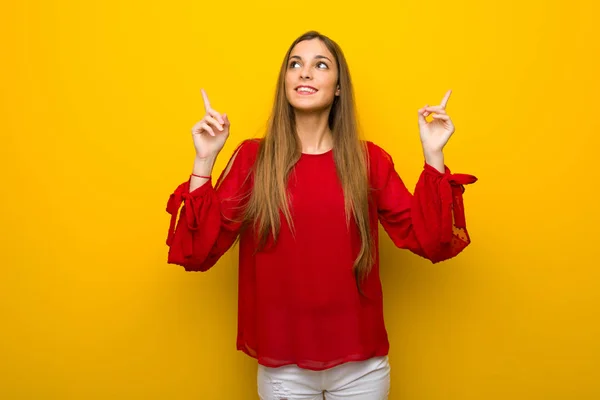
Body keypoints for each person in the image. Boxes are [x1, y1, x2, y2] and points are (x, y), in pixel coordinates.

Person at [165, 30, 477, 400]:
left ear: (338, 87)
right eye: (295, 64)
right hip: (284, 371)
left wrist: (433, 154)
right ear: (285, 82)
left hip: (362, 371)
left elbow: (431, 241)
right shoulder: (253, 159)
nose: (305, 73)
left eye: (320, 65)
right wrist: (204, 159)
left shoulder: (369, 160)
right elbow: (198, 252)